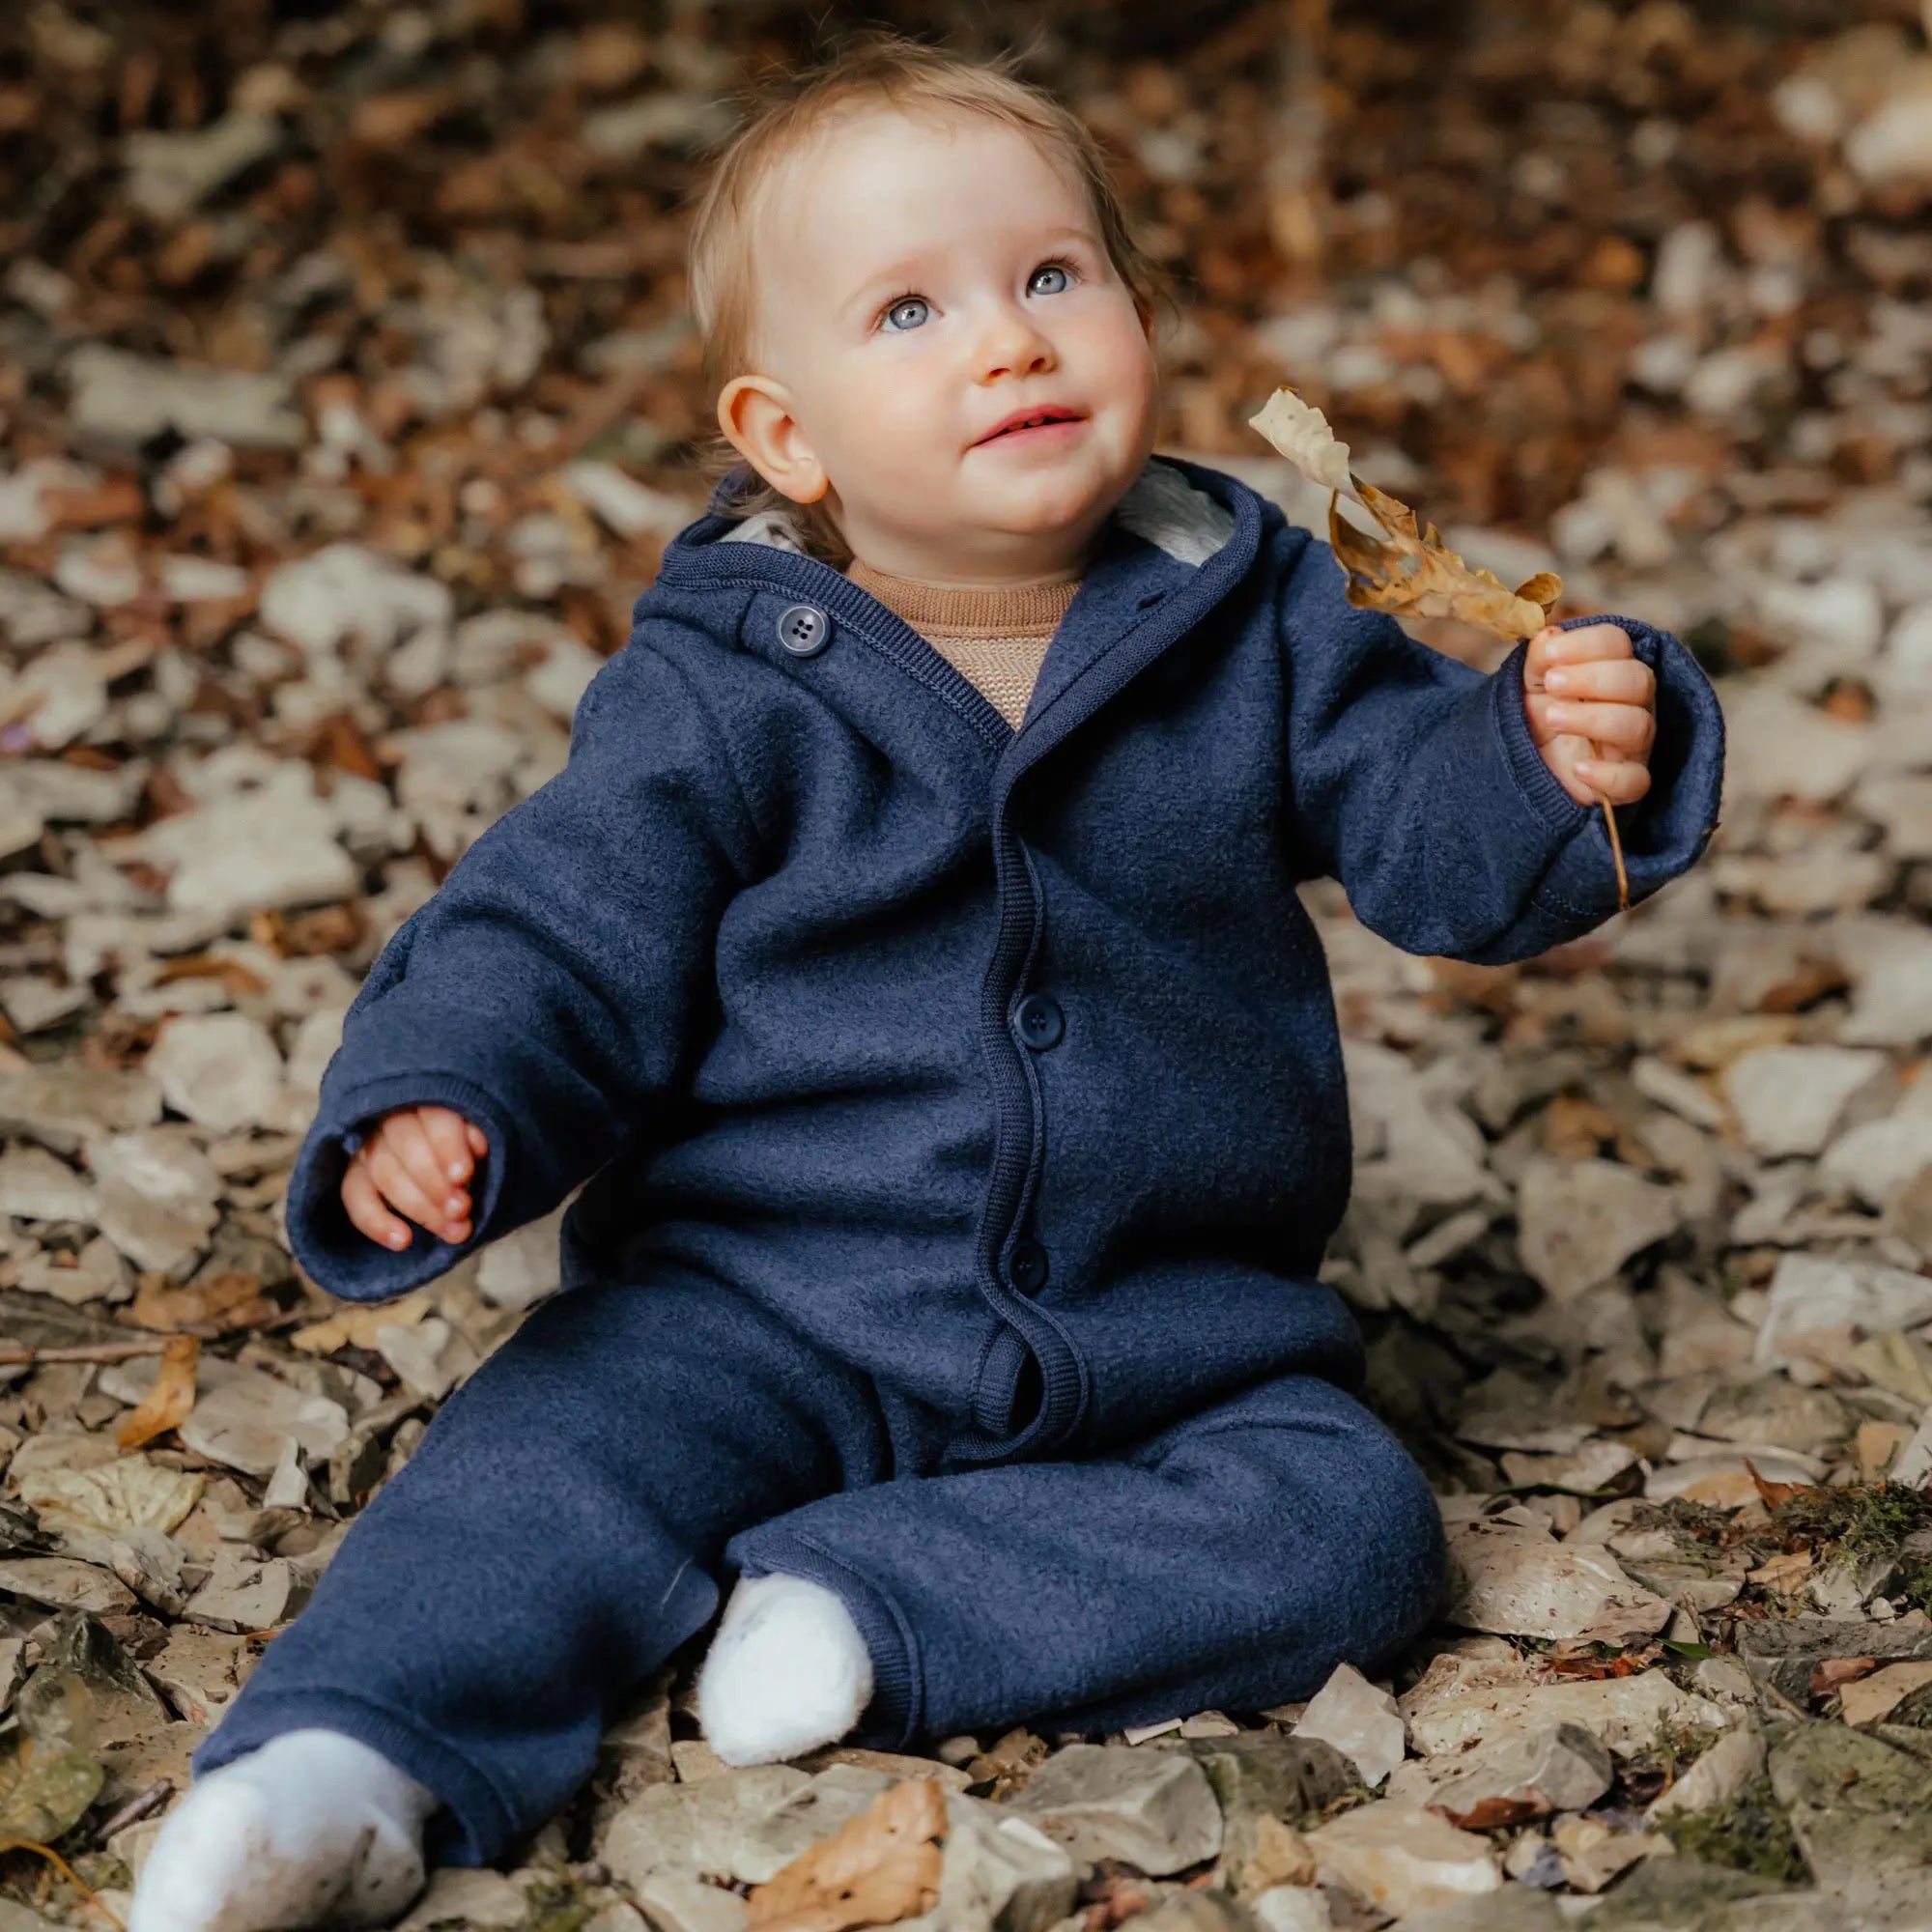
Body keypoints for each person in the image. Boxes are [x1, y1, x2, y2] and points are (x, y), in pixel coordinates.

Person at [129, 28, 1724, 1932]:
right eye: (909, 308)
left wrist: (1540, 755)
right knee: (542, 1459)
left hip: (1168, 1327)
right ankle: (346, 1763)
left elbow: (1425, 836)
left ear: (1137, 310)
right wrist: (450, 1092)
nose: (1009, 339)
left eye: (1054, 275)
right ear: (785, 437)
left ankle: (876, 1611)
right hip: (754, 1304)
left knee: (1354, 1531)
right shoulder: (729, 685)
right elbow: (559, 924)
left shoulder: (1258, 612)